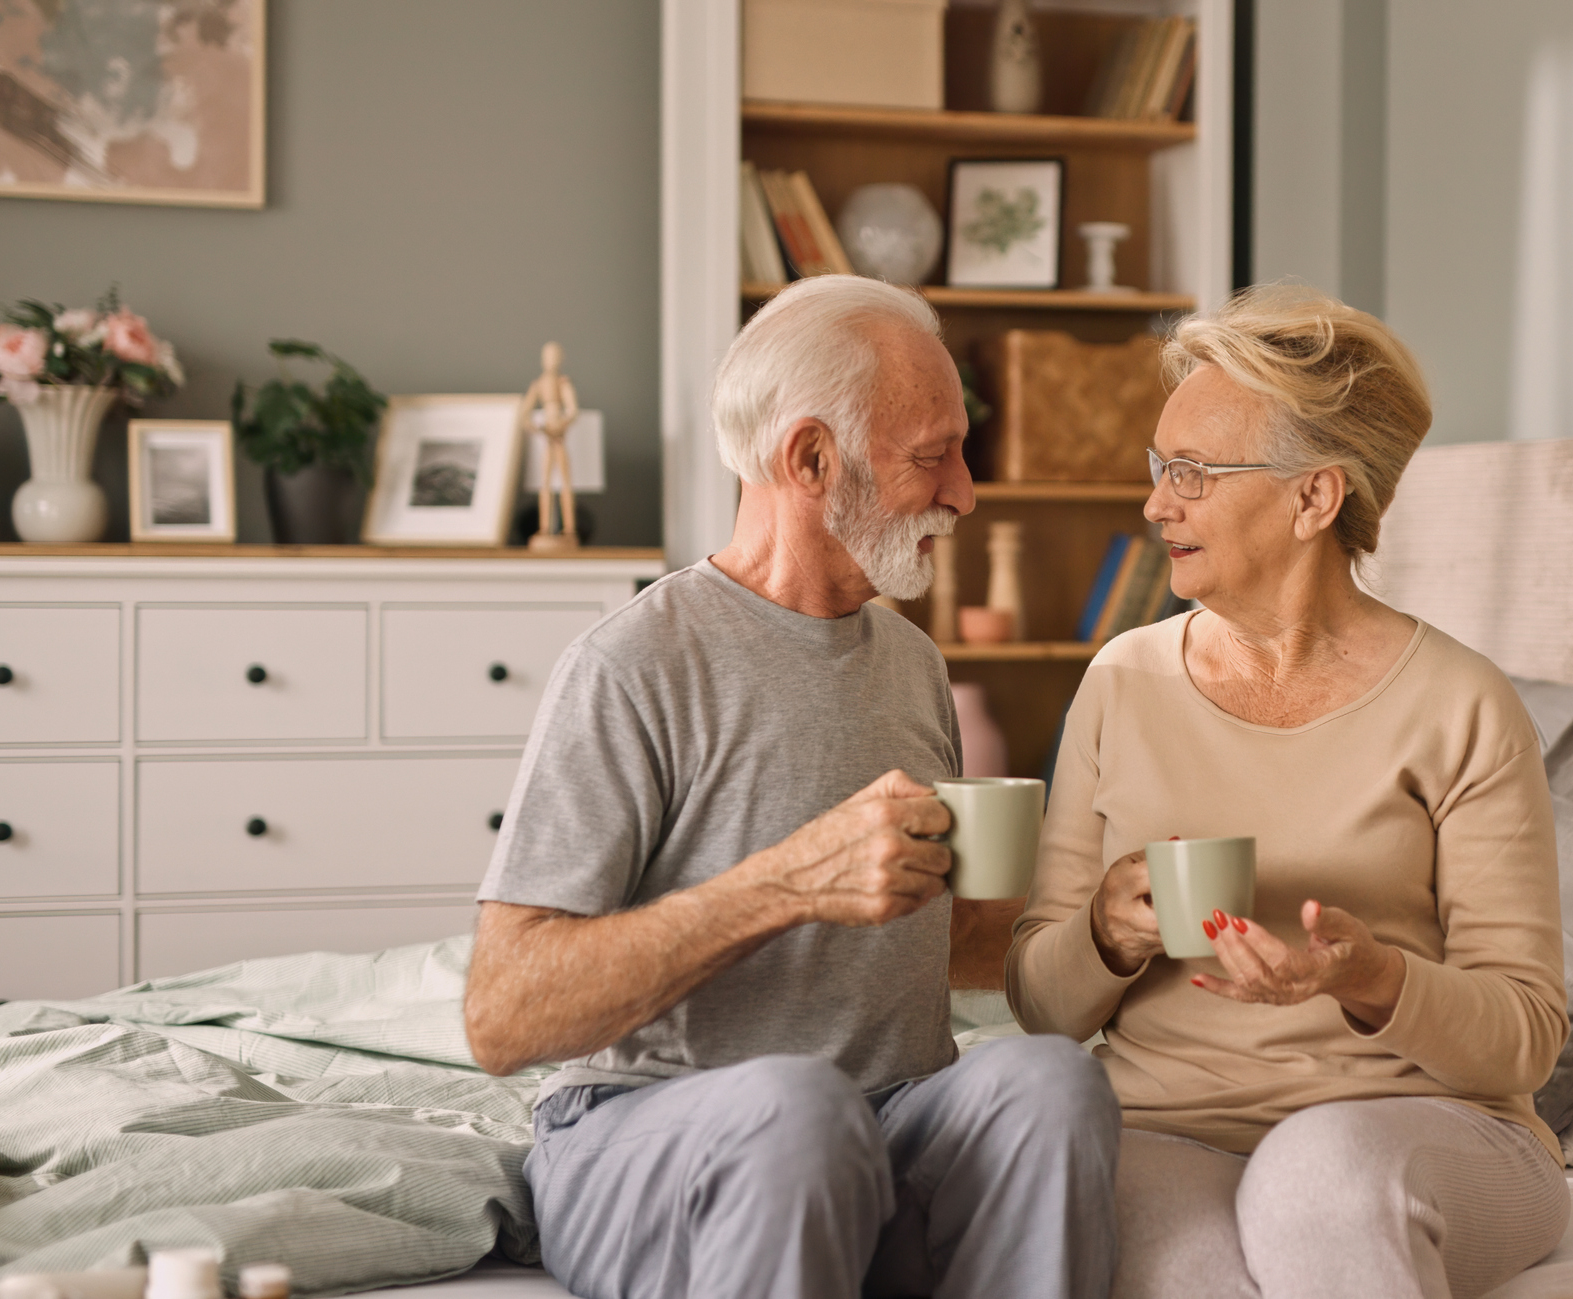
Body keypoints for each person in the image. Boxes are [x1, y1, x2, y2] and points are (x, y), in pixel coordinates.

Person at [466, 276, 1120, 1299]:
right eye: (931, 455)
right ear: (809, 458)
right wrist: (782, 886)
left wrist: (1116, 931)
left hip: (890, 1108)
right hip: (650, 1124)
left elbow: (927, 945)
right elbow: (502, 1016)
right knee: (797, 1111)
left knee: (1049, 1082)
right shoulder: (634, 665)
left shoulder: (910, 663)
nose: (966, 492)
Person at [1005, 285, 1569, 1299]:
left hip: (1428, 1129)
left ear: (1313, 498)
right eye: (1155, 467)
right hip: (1165, 1128)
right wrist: (1103, 934)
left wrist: (1369, 981)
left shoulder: (1461, 705)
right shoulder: (1119, 683)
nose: (1152, 504)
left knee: (1317, 1185)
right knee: (1176, 1263)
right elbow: (1041, 1008)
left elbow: (1522, 1033)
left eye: (1190, 474)